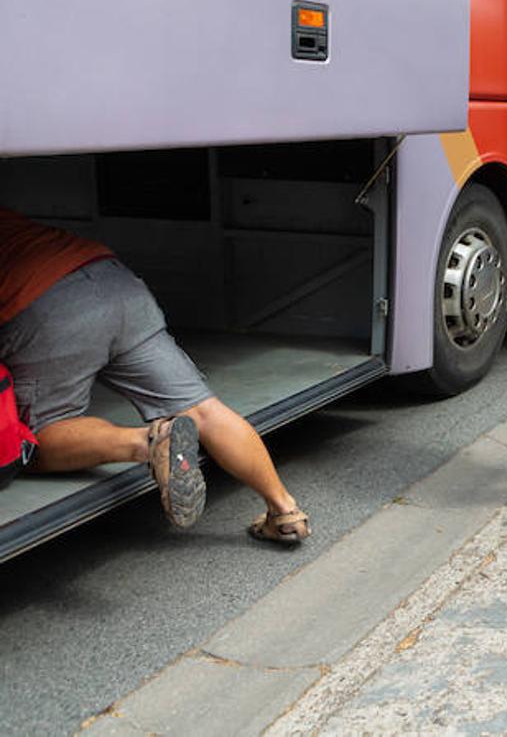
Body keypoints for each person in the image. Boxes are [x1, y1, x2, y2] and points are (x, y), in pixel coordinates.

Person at [0, 208, 307, 541]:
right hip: (112, 280)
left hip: (46, 304)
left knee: (28, 442)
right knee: (203, 410)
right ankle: (284, 510)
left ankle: (148, 442)